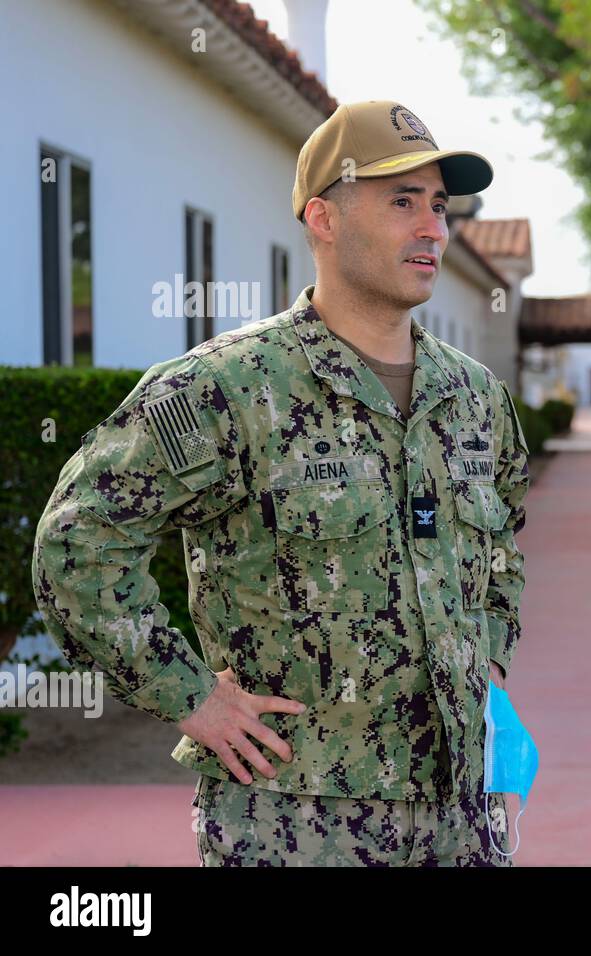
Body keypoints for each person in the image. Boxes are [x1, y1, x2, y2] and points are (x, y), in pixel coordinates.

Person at [32, 100, 529, 866]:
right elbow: (77, 545)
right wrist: (188, 694)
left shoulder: (475, 398)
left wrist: (484, 666)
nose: (432, 227)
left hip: (460, 823)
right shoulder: (228, 389)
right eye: (403, 202)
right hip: (294, 828)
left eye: (439, 205)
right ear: (323, 218)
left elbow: (504, 539)